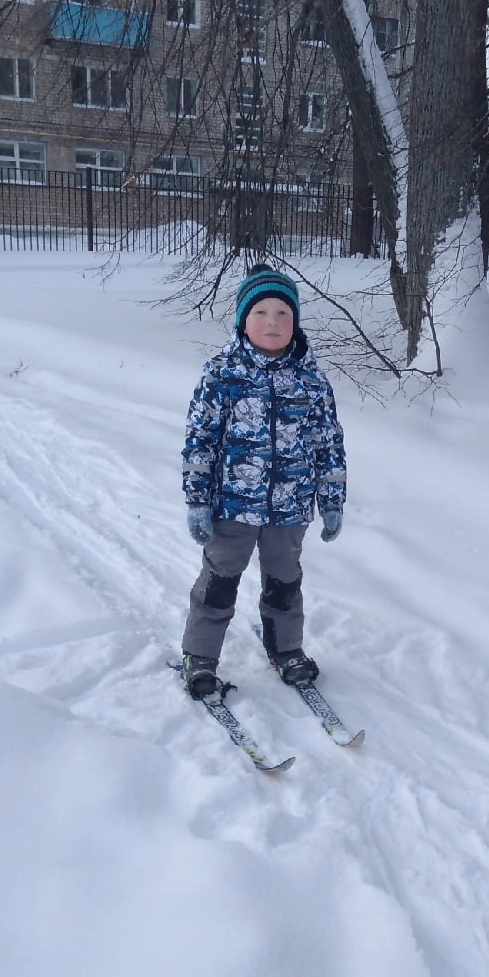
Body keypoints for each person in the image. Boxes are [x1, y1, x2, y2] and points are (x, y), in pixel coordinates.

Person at [180, 264, 346, 700]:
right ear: (243, 320)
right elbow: (200, 440)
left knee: (285, 581)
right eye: (261, 312)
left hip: (291, 508)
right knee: (219, 581)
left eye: (282, 313)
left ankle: (286, 649)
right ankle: (200, 656)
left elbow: (329, 443)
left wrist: (331, 500)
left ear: (295, 322)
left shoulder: (312, 381)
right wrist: (197, 500)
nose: (272, 322)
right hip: (232, 506)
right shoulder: (222, 375)